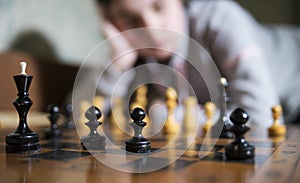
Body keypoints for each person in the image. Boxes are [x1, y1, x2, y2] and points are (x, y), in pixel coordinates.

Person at [91, 0, 300, 128]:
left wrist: (168, 115)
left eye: (158, 6)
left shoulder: (221, 19)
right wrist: (118, 62)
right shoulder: (140, 56)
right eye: (131, 20)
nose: (151, 29)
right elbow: (81, 118)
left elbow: (259, 120)